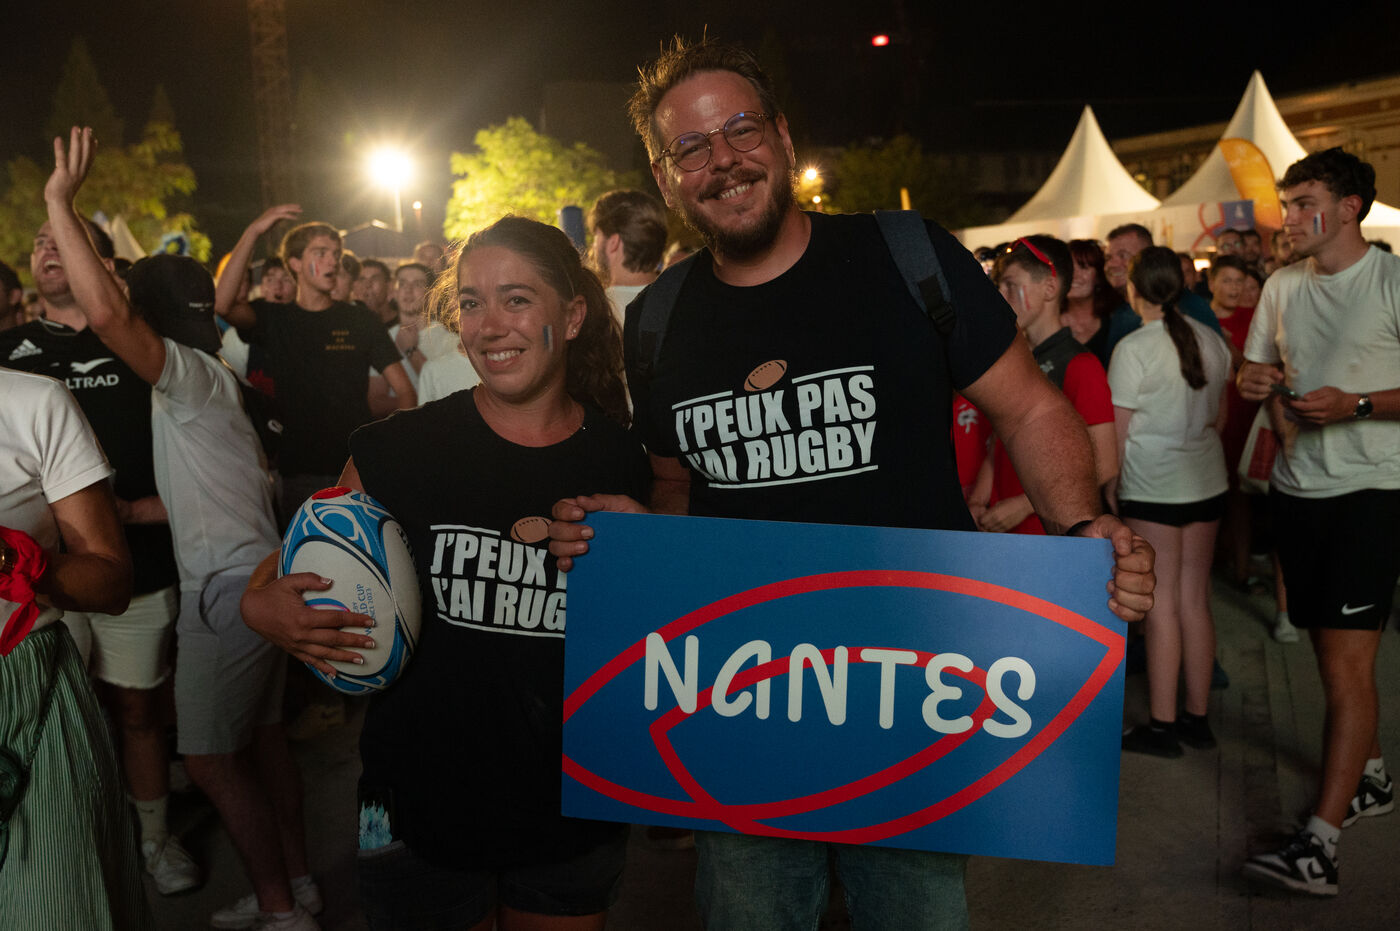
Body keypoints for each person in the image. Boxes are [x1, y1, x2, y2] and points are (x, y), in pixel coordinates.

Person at [547, 37, 1155, 931]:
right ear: (667, 178)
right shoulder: (660, 320)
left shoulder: (906, 256)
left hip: (912, 686)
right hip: (745, 699)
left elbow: (1029, 408)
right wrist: (636, 542)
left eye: (741, 129)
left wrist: (1080, 526)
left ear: (784, 138)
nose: (723, 159)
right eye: (691, 147)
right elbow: (676, 485)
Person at [241, 216, 649, 930]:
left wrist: (649, 551)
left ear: (573, 316)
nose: (489, 326)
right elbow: (292, 558)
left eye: (516, 299)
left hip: (571, 801)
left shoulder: (620, 460)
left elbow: (661, 629)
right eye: (470, 303)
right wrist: (260, 605)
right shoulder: (399, 449)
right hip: (416, 803)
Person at [43, 127, 321, 930]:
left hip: (227, 592)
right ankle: (297, 883)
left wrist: (61, 201)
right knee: (265, 742)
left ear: (153, 311)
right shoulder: (216, 378)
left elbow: (105, 313)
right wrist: (130, 511)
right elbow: (222, 487)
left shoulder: (186, 377)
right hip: (260, 570)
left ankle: (281, 910)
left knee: (206, 759)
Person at [0, 211, 196, 893]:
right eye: (39, 242)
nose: (47, 250)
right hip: (35, 597)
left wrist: (141, 510)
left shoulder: (141, 347)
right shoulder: (10, 353)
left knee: (138, 710)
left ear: (102, 265)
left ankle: (154, 838)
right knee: (60, 715)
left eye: (65, 241)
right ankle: (83, 835)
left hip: (133, 563)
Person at [1238, 147, 1400, 897]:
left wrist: (1356, 405)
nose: (1290, 217)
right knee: (1329, 656)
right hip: (1297, 488)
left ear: (1348, 208)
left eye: (1304, 203)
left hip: (1373, 491)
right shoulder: (1281, 285)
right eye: (1288, 203)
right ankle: (1371, 777)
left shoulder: (1392, 280)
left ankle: (1320, 847)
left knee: (1346, 667)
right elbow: (1251, 373)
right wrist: (1257, 380)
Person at [1, 368, 147, 928]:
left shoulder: (33, 402)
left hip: (29, 704)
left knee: (59, 909)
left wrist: (10, 560)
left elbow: (111, 583)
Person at [216, 207, 417, 524]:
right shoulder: (275, 318)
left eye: (335, 254)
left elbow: (406, 391)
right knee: (305, 554)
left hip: (357, 471)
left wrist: (390, 453)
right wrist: (253, 231)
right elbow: (222, 304)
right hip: (299, 475)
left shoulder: (359, 319)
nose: (332, 261)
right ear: (295, 263)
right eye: (320, 253)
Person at [1108, 247, 1232, 757]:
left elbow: (1118, 435)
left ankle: (1162, 728)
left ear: (1133, 288)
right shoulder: (1213, 340)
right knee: (1194, 600)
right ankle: (1197, 720)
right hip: (1206, 482)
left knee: (1159, 608)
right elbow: (1220, 419)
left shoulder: (1133, 348)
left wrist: (1110, 490)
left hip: (1153, 487)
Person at [970, 236, 1117, 535]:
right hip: (1002, 529)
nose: (1001, 295)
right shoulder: (1017, 359)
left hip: (1048, 532)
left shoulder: (1081, 365)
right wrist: (977, 500)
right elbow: (1000, 438)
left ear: (1050, 288)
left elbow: (1107, 463)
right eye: (999, 285)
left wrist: (1023, 506)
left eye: (1011, 285)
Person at [1102, 223, 1223, 360]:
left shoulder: (1189, 304)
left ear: (1147, 257)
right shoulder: (1115, 311)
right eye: (1108, 258)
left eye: (1123, 255)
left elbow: (1215, 361)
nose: (1111, 264)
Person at [587, 189, 668, 326]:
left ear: (613, 243)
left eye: (596, 236)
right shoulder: (683, 300)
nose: (593, 246)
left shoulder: (593, 314)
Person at [1061, 239, 1117, 369]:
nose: (1075, 275)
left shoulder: (1115, 323)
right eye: (1069, 268)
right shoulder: (1046, 321)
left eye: (1083, 267)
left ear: (1098, 276)